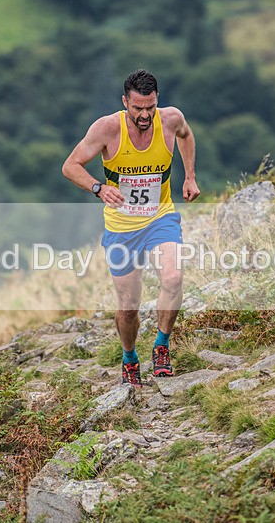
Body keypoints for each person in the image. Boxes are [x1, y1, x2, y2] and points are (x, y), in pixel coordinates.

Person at [62, 69, 200, 387]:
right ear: (125, 102)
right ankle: (129, 357)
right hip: (122, 227)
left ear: (157, 101)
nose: (144, 114)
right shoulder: (107, 128)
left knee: (173, 277)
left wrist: (190, 175)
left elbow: (186, 135)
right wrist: (98, 188)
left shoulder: (170, 119)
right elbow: (70, 166)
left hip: (159, 218)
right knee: (128, 307)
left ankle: (162, 345)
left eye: (149, 107)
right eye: (137, 108)